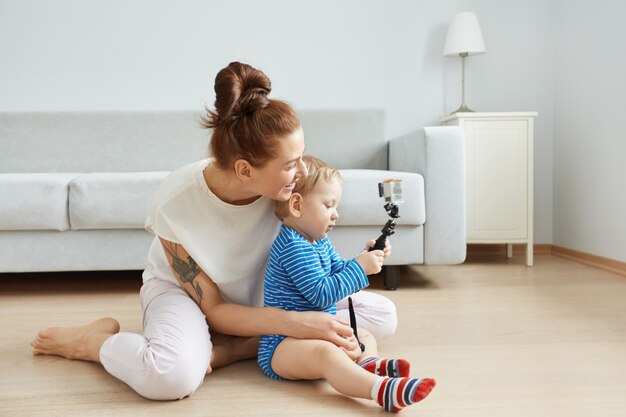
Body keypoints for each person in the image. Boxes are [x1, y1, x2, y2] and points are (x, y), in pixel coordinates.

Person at [30, 62, 398, 401]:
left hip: (263, 295)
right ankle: (94, 342)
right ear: (244, 171)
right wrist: (299, 323)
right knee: (169, 378)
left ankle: (237, 346)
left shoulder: (289, 194)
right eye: (290, 164)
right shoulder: (175, 201)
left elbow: (316, 251)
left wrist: (359, 263)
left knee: (383, 317)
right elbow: (217, 307)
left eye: (302, 156)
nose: (302, 171)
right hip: (193, 298)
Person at [258, 156, 435, 412]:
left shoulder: (317, 241)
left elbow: (338, 271)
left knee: (363, 335)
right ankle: (379, 390)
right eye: (329, 205)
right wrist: (360, 268)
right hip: (283, 345)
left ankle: (369, 363)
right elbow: (321, 294)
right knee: (325, 355)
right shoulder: (292, 247)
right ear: (296, 205)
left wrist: (362, 258)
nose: (336, 214)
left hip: (318, 331)